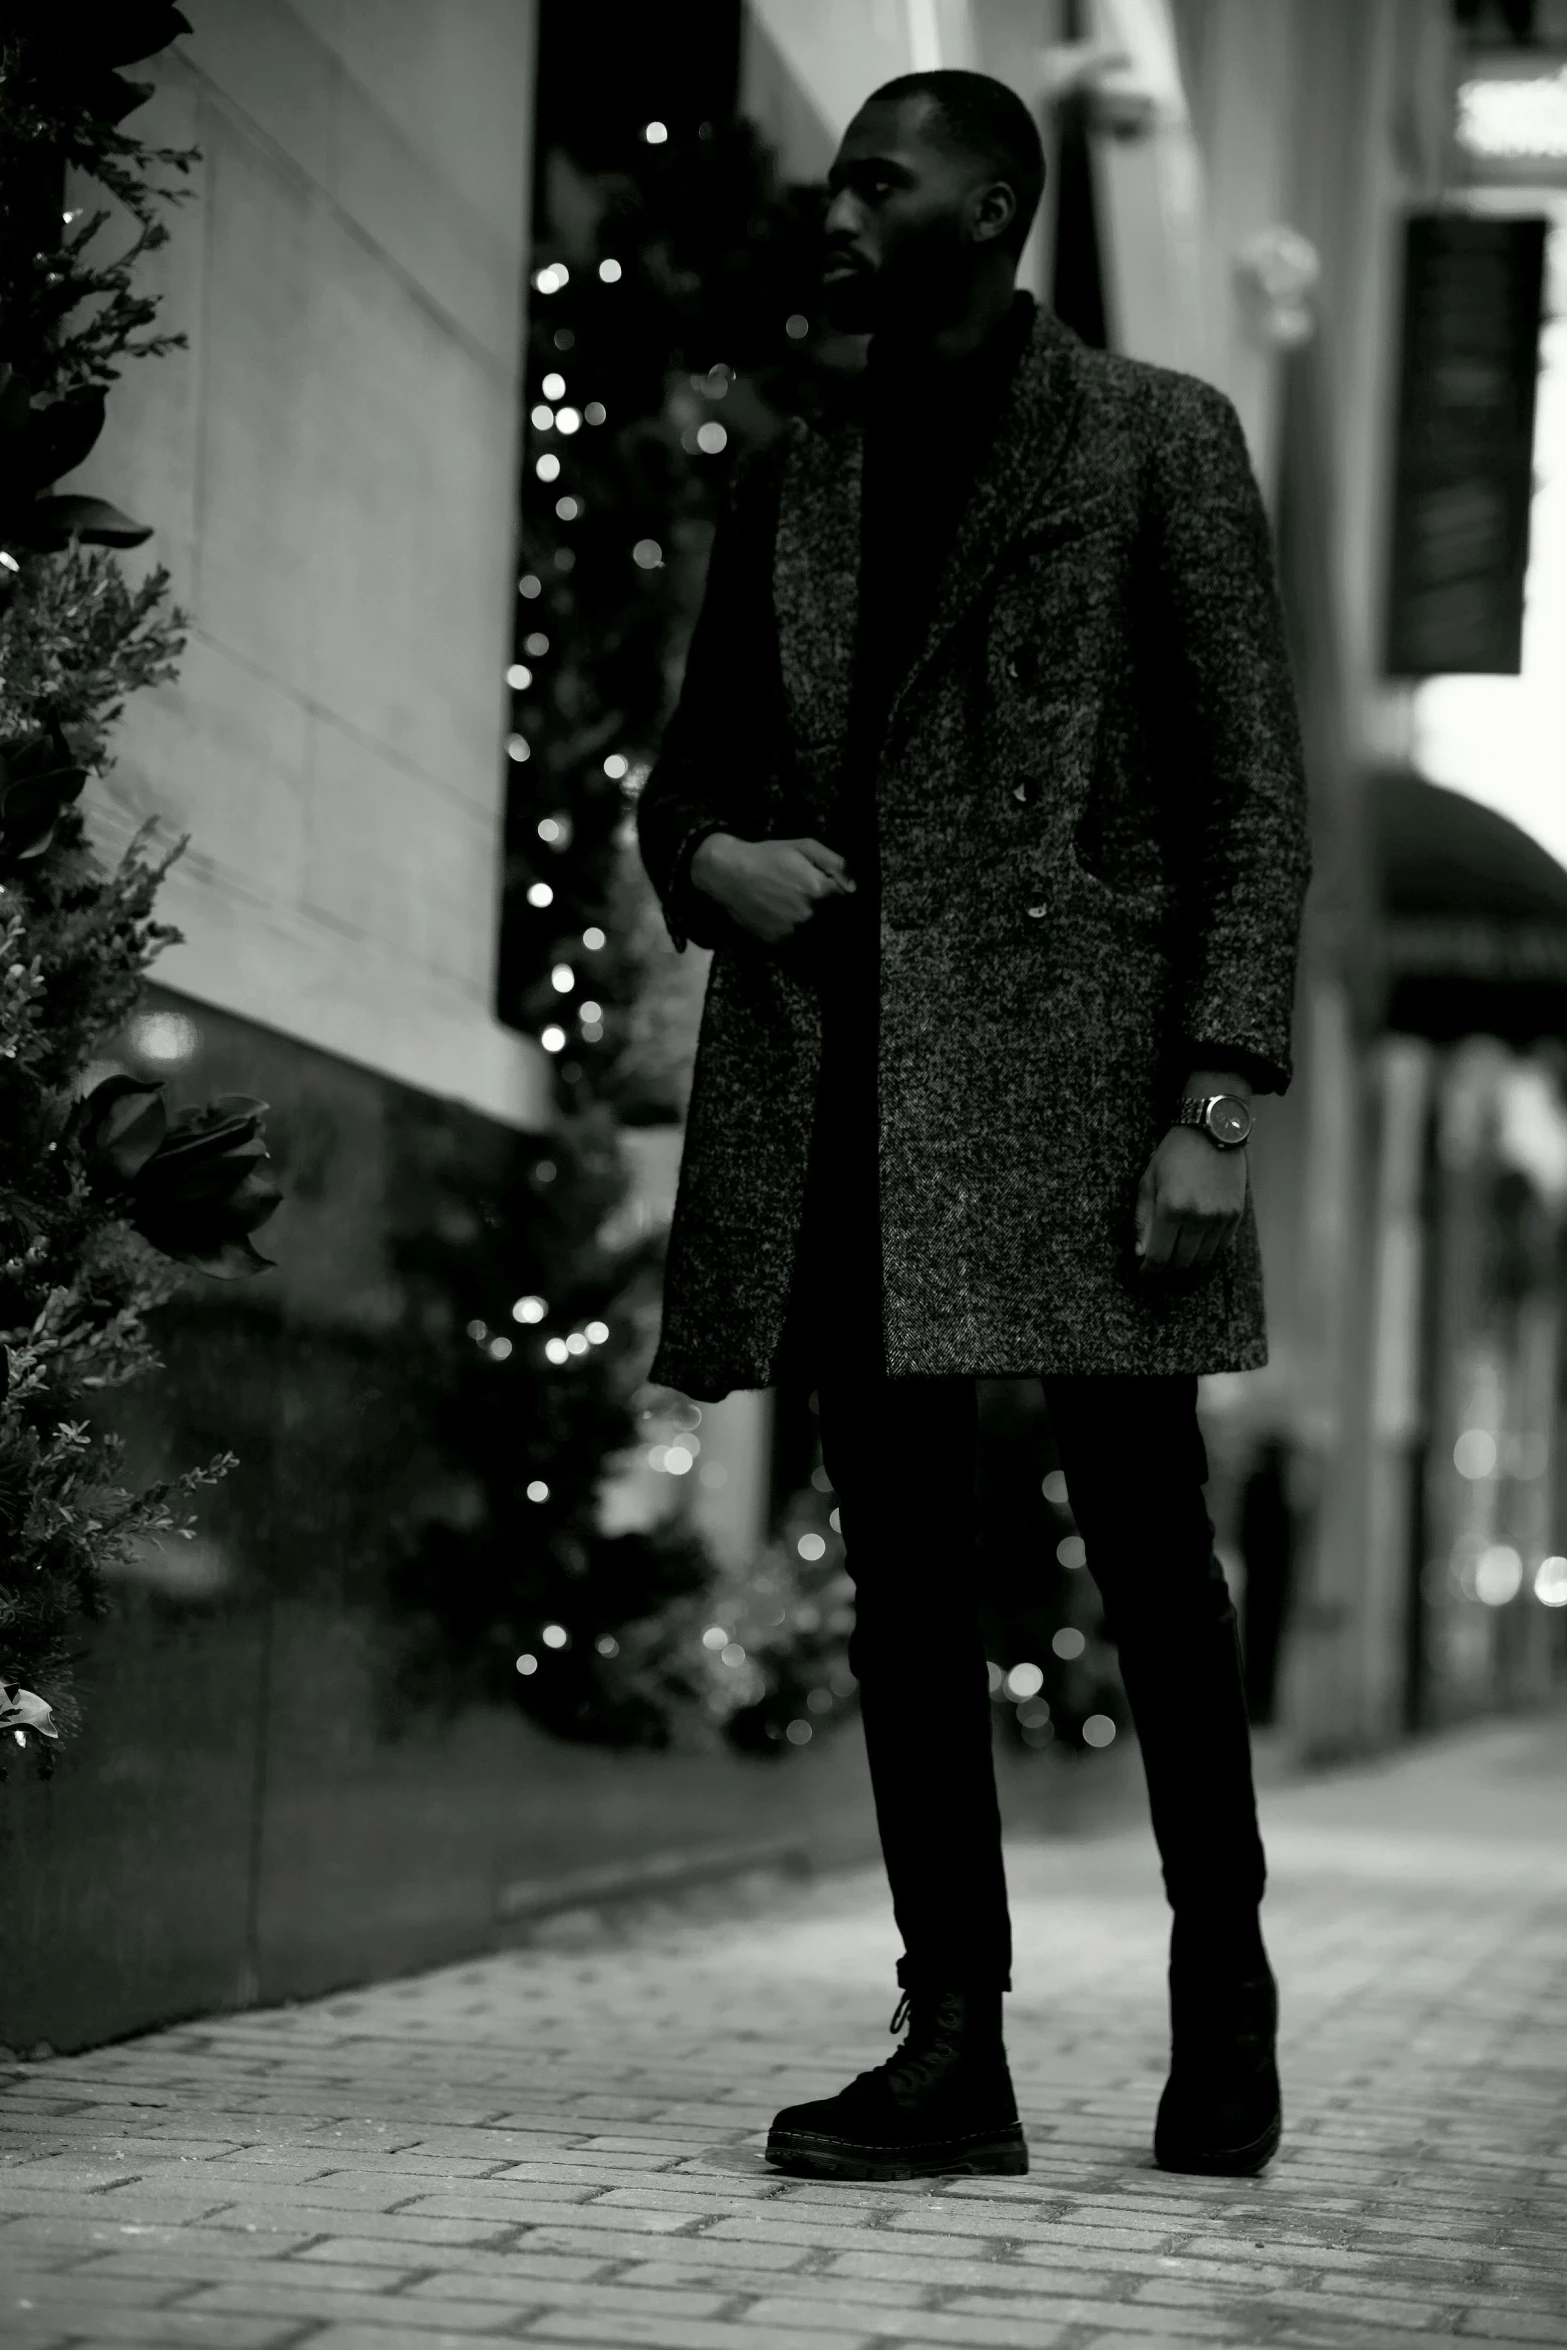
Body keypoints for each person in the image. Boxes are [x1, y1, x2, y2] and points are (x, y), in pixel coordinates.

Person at [635, 69, 1310, 2185]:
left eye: (878, 179)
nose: (838, 209)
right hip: (849, 1068)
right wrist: (709, 862)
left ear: (996, 205)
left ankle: (1229, 1991)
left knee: (1151, 1556)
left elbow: (1250, 800)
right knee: (910, 1579)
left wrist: (1217, 1091)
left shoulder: (1156, 436)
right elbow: (695, 768)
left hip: (1096, 1080)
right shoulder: (802, 457)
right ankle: (959, 2045)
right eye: (834, 177)